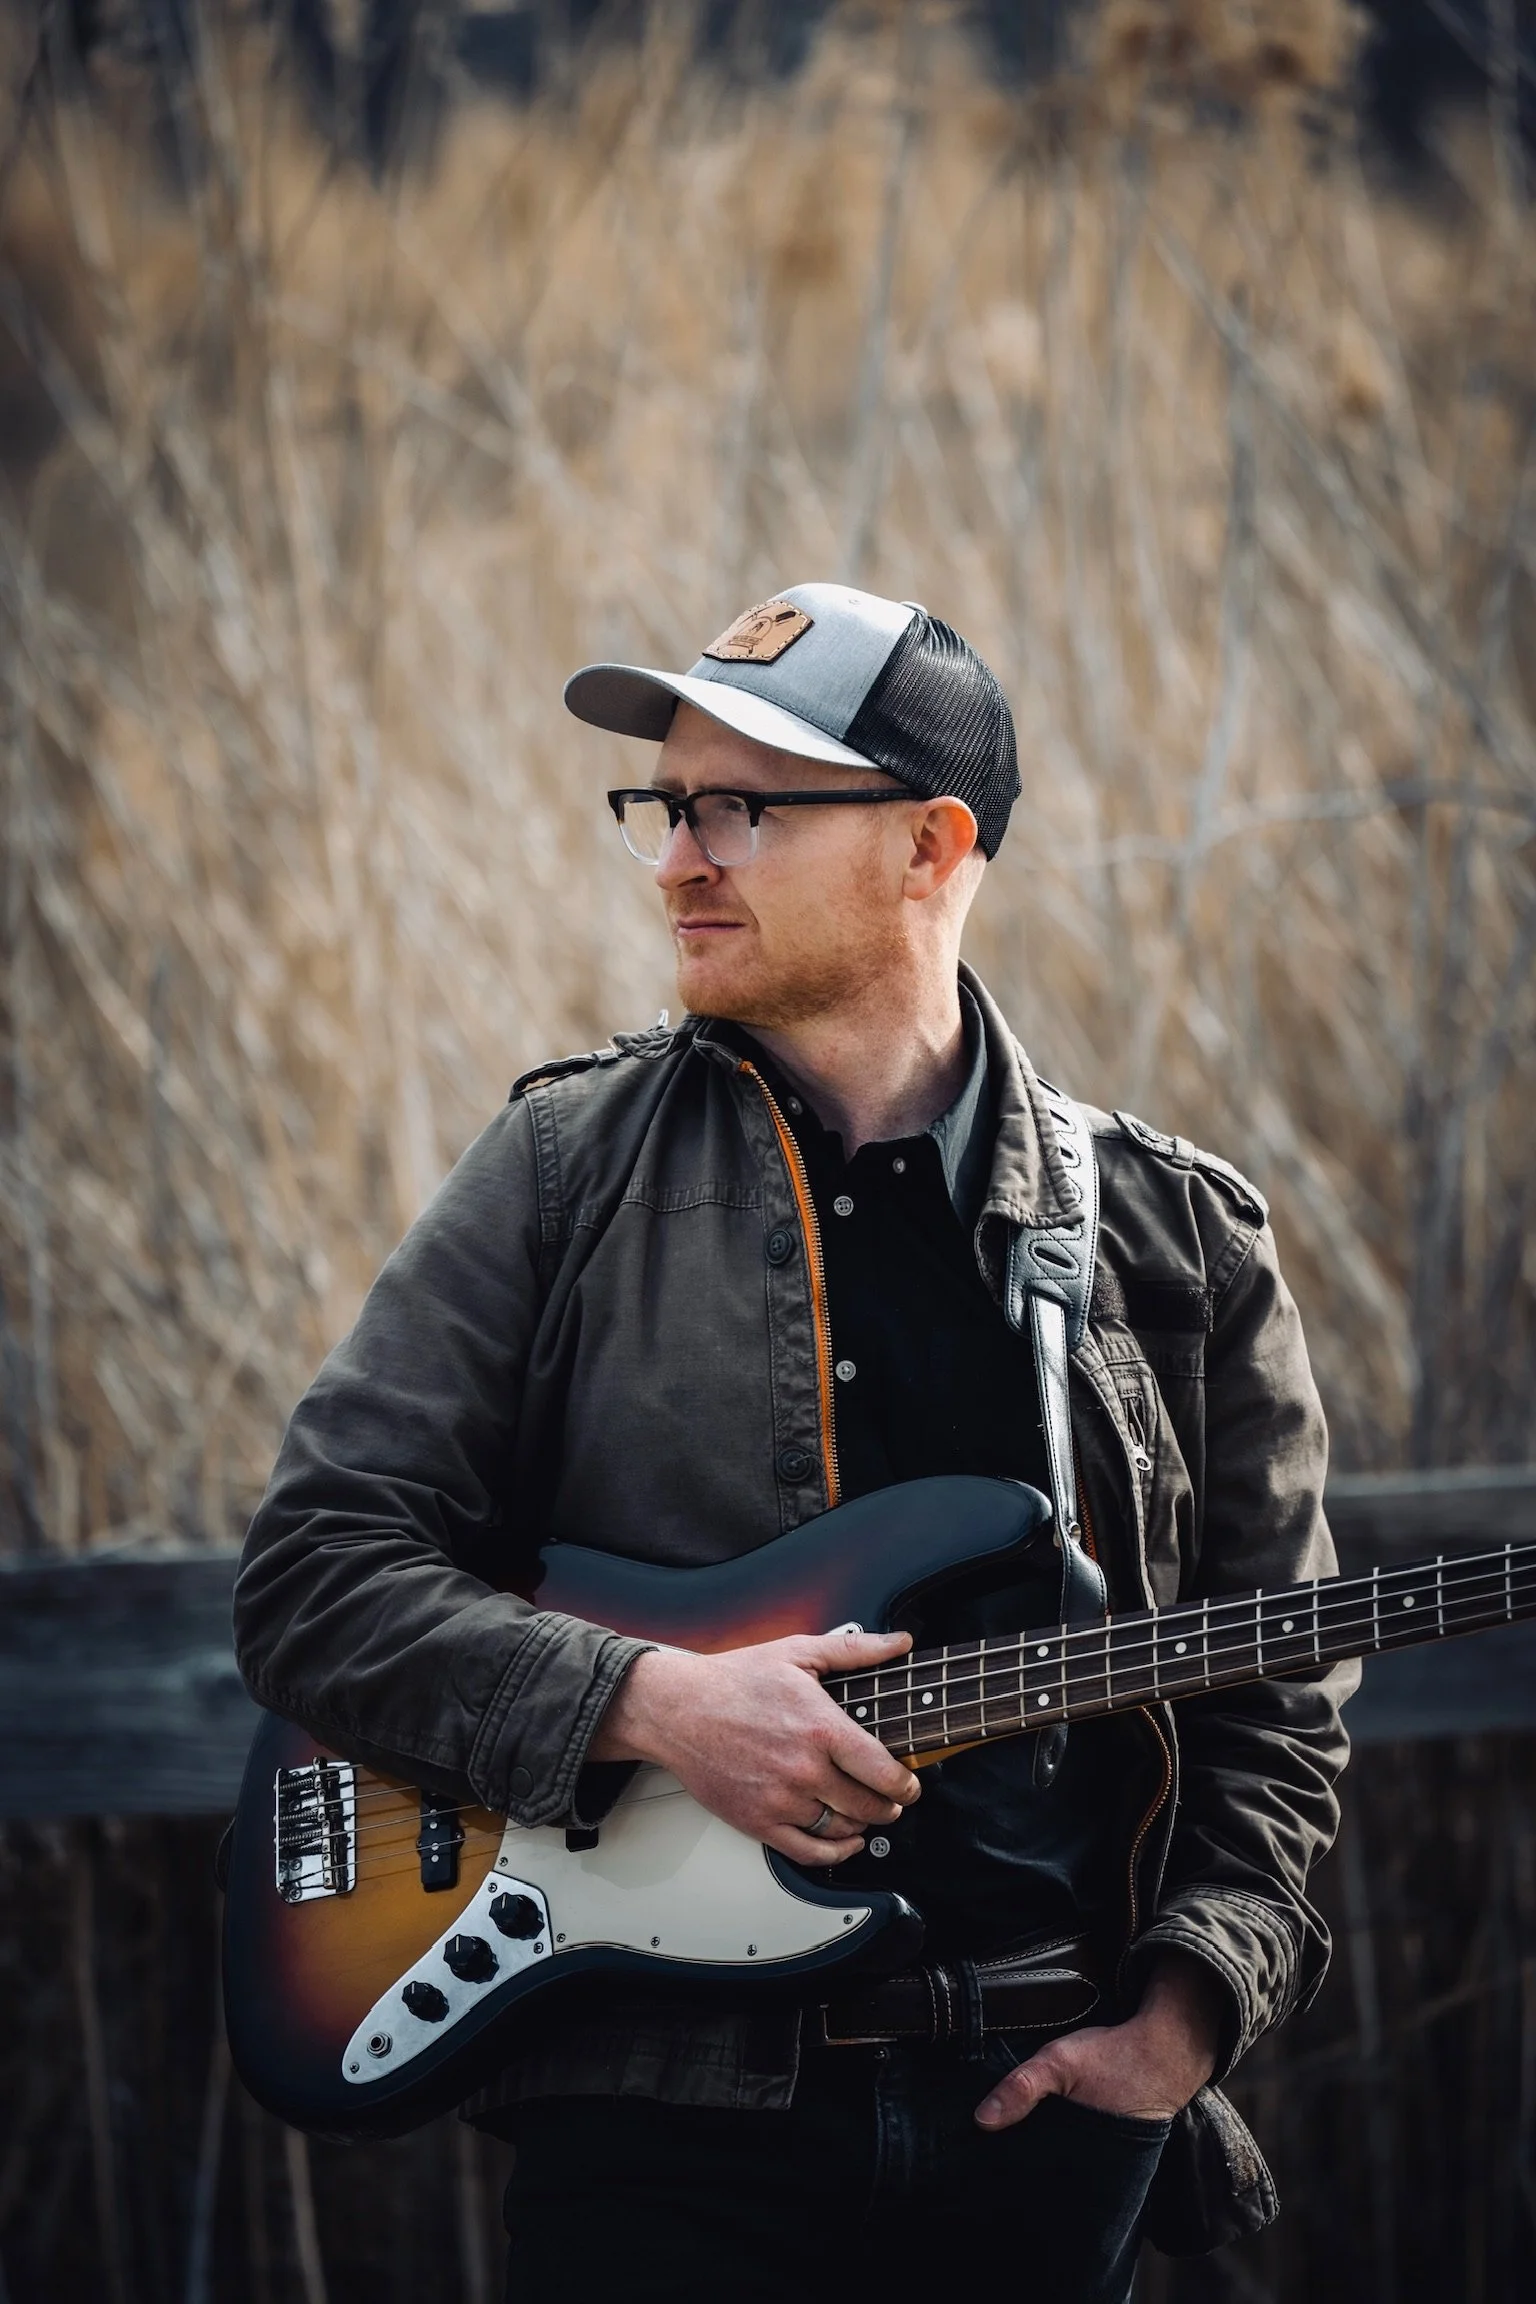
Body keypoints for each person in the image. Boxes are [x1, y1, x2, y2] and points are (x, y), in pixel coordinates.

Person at [233, 584, 1354, 2301]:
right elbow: (316, 1581)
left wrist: (1189, 2013)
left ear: (929, 845)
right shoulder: (558, 1173)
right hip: (662, 2139)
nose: (681, 857)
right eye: (664, 807)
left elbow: (1278, 1691)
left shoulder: (1175, 1239)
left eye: (741, 807)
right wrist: (649, 1705)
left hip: (1038, 2125)